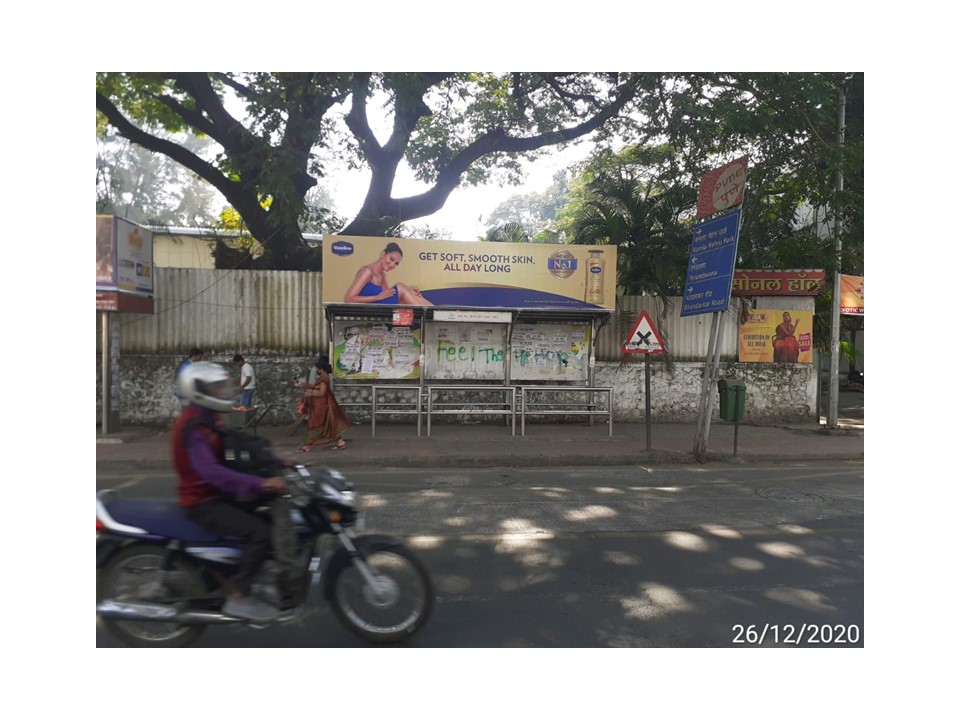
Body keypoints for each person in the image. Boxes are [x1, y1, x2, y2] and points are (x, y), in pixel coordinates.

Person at [173, 362, 286, 622]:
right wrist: (262, 483)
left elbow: (239, 451)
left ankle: (258, 576)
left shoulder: (208, 417)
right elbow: (212, 472)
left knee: (265, 513)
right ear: (199, 389)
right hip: (203, 501)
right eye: (218, 387)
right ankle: (239, 596)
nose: (224, 391)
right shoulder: (194, 427)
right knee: (260, 533)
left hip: (216, 494)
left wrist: (278, 463)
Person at [343, 242, 433, 306]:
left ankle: (436, 314)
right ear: (383, 254)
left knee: (412, 293)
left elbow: (389, 296)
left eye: (396, 263)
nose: (392, 265)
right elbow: (349, 299)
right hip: (368, 309)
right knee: (400, 286)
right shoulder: (367, 271)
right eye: (391, 259)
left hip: (380, 307)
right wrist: (376, 297)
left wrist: (409, 292)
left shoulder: (383, 276)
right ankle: (427, 315)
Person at [294, 355, 352, 452]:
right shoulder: (323, 377)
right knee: (327, 424)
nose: (316, 370)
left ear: (321, 369)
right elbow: (315, 387)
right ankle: (340, 442)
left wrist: (310, 393)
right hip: (320, 405)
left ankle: (306, 446)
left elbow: (321, 392)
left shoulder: (324, 379)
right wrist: (303, 384)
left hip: (320, 406)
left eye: (317, 368)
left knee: (314, 424)